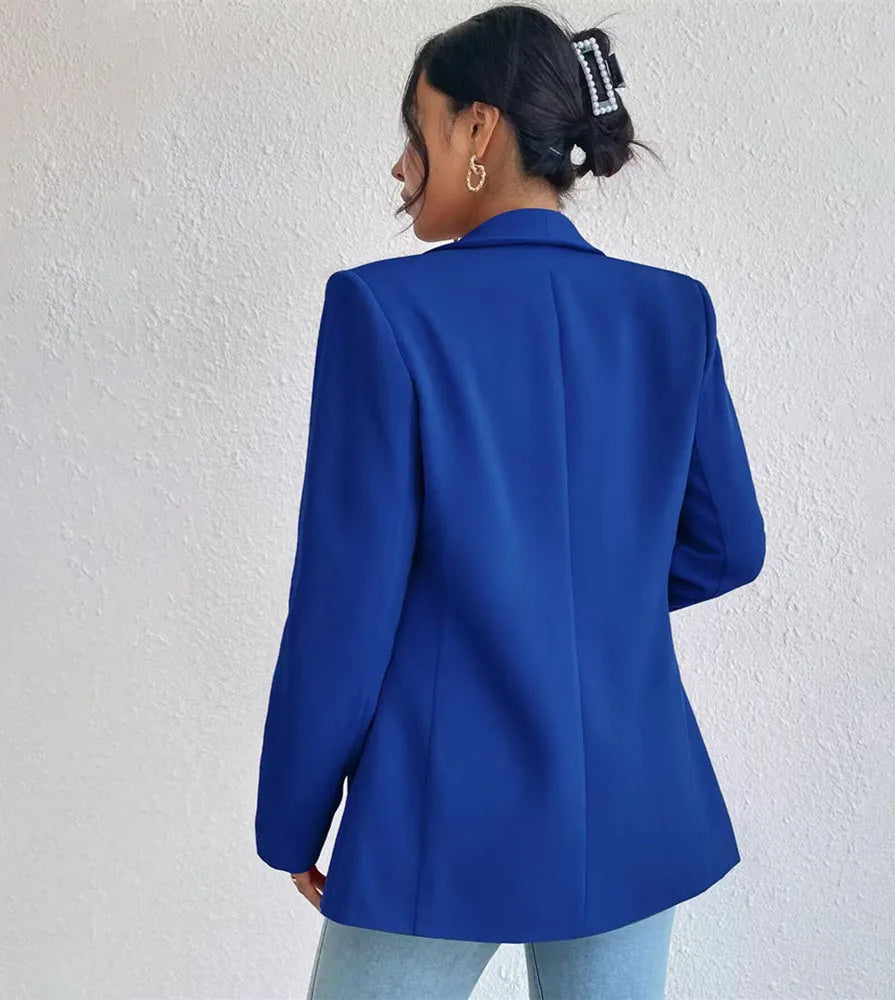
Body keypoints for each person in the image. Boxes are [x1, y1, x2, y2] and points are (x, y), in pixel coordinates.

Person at [254, 5, 766, 998]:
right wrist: (583, 598)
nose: (401, 166)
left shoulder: (382, 309)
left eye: (416, 130)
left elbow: (343, 609)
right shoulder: (673, 310)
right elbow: (728, 546)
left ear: (478, 130)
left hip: (441, 802)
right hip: (633, 795)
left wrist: (293, 817)